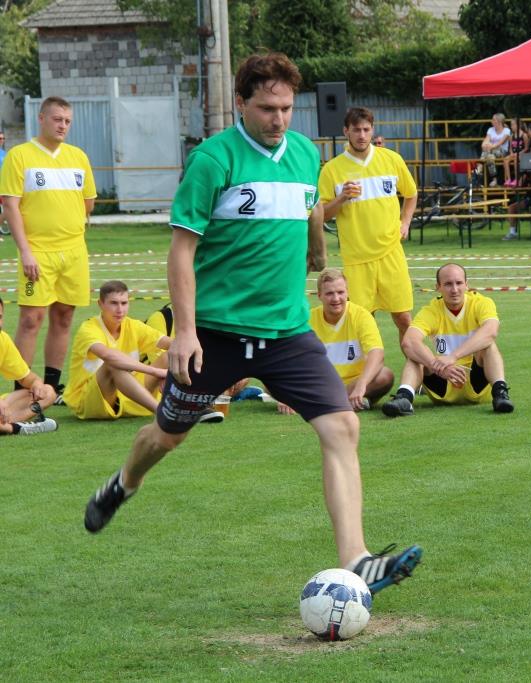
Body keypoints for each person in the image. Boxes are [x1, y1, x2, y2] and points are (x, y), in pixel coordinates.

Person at [81, 52, 422, 594]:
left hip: (287, 332)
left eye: (286, 108)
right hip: (215, 334)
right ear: (240, 103)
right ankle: (124, 483)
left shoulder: (305, 153)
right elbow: (181, 250)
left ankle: (356, 558)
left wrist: (317, 247)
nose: (279, 119)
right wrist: (185, 331)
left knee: (343, 426)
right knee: (166, 437)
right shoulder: (213, 160)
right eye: (267, 108)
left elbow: (310, 204)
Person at [0, 97, 96, 399]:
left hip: (74, 252)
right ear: (41, 118)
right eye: (57, 119)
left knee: (64, 316)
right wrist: (25, 251)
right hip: (37, 252)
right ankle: (22, 390)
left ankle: (54, 386)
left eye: (67, 121)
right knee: (31, 319)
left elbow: (88, 203)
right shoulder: (19, 156)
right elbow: (10, 207)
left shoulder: (78, 157)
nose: (62, 125)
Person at [318, 107, 418, 346]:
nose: (362, 135)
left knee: (404, 319)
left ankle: (416, 370)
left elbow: (411, 194)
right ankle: (371, 370)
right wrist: (341, 198)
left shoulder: (391, 159)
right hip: (357, 259)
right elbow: (321, 215)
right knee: (363, 322)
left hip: (391, 253)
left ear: (372, 130)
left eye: (366, 129)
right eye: (356, 130)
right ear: (346, 131)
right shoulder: (332, 169)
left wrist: (405, 222)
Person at [381, 263, 513, 417]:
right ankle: (404, 398)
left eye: (459, 283)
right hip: (442, 385)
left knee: (488, 345)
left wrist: (453, 357)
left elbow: (491, 331)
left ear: (467, 285)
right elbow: (409, 342)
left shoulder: (481, 303)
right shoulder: (431, 310)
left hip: (477, 384)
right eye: (448, 284)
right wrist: (438, 366)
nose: (454, 289)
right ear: (438, 287)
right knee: (417, 354)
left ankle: (500, 393)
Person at [63, 280, 182, 421]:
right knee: (113, 364)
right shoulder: (88, 329)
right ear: (100, 304)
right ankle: (162, 413)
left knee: (172, 355)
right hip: (90, 401)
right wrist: (156, 372)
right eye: (114, 303)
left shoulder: (133, 325)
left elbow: (174, 345)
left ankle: (194, 401)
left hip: (129, 397)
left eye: (124, 303)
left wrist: (172, 373)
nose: (120, 309)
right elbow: (108, 356)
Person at [308, 268, 394, 411]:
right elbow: (292, 357)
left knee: (385, 375)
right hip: (320, 385)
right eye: (329, 293)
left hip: (353, 384)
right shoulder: (308, 319)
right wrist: (287, 394)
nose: (336, 298)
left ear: (347, 292)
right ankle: (346, 402)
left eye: (340, 292)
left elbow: (377, 354)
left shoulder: (361, 315)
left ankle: (332, 401)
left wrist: (361, 385)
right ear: (319, 295)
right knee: (271, 377)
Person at [0, 296, 58, 436]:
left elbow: (26, 378)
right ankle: (15, 428)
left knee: (47, 392)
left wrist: (36, 383)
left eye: (0, 317)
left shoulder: (2, 340)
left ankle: (6, 424)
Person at [476, 113, 512, 186]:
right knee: (489, 157)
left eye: (493, 119)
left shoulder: (506, 130)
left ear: (499, 121)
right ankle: (494, 179)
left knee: (486, 153)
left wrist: (489, 146)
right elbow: (485, 142)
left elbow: (500, 143)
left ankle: (479, 169)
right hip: (490, 152)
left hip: (502, 151)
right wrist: (486, 145)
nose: (491, 121)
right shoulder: (490, 129)